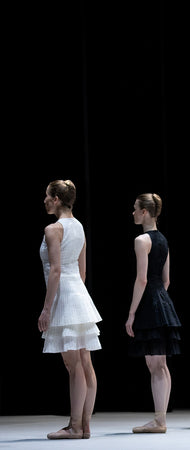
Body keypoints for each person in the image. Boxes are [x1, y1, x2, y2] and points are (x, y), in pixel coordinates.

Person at [38, 180, 102, 439]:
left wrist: (46, 309)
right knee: (84, 362)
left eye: (46, 196)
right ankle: (84, 425)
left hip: (65, 295)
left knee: (73, 363)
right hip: (79, 294)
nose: (44, 200)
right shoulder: (79, 226)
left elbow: (55, 270)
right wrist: (78, 299)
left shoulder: (54, 228)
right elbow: (83, 270)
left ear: (56, 199)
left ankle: (76, 426)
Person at [125, 193, 181, 433]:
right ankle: (161, 419)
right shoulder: (164, 240)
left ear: (145, 212)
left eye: (136, 209)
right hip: (163, 301)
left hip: (150, 301)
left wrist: (132, 313)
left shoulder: (142, 240)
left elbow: (141, 279)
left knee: (156, 365)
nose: (133, 212)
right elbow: (167, 280)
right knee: (160, 364)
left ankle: (159, 421)